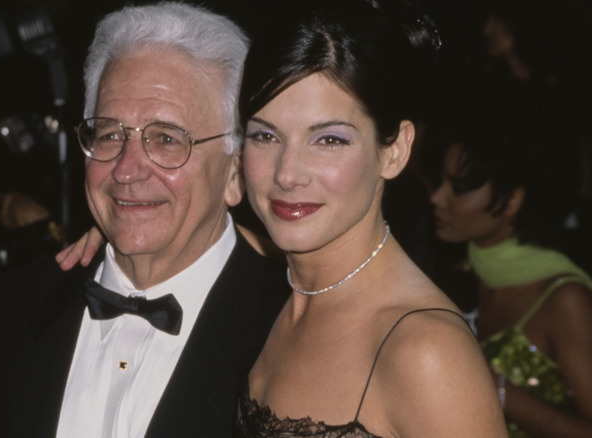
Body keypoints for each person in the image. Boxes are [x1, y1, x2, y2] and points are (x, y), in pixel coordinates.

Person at [60, 1, 507, 436]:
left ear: (394, 150)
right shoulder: (276, 290)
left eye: (329, 140)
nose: (287, 174)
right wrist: (127, 218)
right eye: (265, 135)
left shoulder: (426, 353)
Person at [0, 3, 288, 437]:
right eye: (109, 133)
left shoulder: (294, 331)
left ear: (235, 172)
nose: (126, 169)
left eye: (166, 139)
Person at [428, 91, 592, 437]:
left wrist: (498, 389)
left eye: (459, 187)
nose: (437, 197)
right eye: (439, 180)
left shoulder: (563, 298)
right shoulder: (457, 275)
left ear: (513, 201)